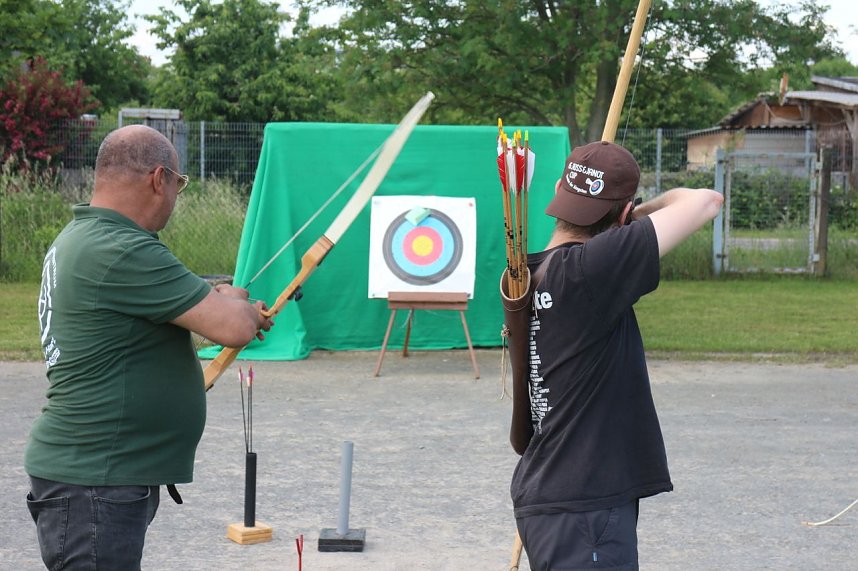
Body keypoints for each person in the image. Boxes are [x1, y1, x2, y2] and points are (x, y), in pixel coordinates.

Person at [26, 124, 273, 570]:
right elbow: (233, 329)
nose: (176, 198)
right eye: (178, 184)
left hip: (95, 477)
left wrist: (221, 296)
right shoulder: (123, 248)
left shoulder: (86, 238)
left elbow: (177, 299)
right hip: (96, 481)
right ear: (159, 179)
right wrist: (244, 311)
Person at [510, 141, 723, 569]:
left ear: (558, 191)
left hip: (556, 495)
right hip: (582, 505)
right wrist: (637, 215)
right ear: (623, 214)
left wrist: (623, 217)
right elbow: (705, 201)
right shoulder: (589, 271)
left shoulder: (530, 274)